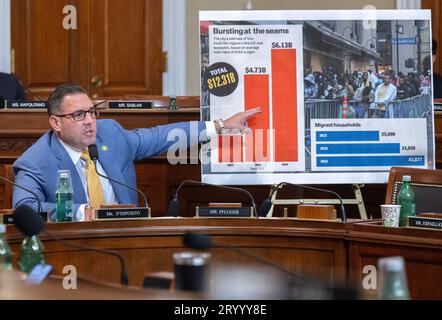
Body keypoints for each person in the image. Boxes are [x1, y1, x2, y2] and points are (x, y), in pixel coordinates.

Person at [12, 83, 261, 221]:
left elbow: (161, 136)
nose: (89, 121)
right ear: (55, 123)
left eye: (91, 112)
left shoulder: (110, 134)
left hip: (128, 237)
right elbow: (24, 209)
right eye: (78, 115)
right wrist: (81, 212)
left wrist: (219, 125)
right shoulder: (35, 161)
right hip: (75, 250)